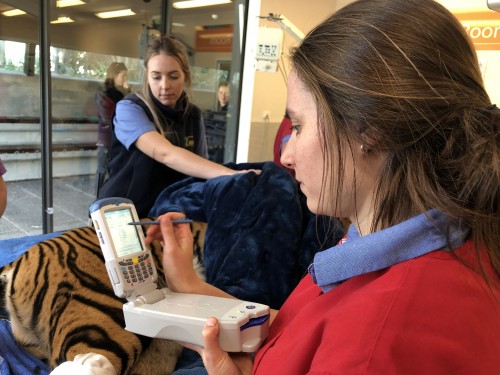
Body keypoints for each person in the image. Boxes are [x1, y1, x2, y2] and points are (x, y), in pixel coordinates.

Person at [146, 0, 500, 373]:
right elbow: (306, 332)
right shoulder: (408, 238)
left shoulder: (375, 348)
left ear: (369, 128)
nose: (286, 155)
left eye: (297, 127)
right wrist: (191, 285)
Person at [98, 36, 252, 218]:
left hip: (169, 215)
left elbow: (200, 167)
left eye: (173, 76)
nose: (165, 85)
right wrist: (231, 174)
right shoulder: (129, 109)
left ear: (185, 75)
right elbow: (165, 153)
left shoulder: (193, 115)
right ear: (147, 75)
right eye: (156, 77)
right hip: (123, 214)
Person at [94, 62, 129, 197]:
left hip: (116, 136)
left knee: (114, 169)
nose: (124, 80)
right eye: (123, 76)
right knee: (102, 170)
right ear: (114, 75)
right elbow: (109, 116)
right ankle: (98, 200)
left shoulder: (119, 93)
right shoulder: (105, 92)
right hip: (107, 136)